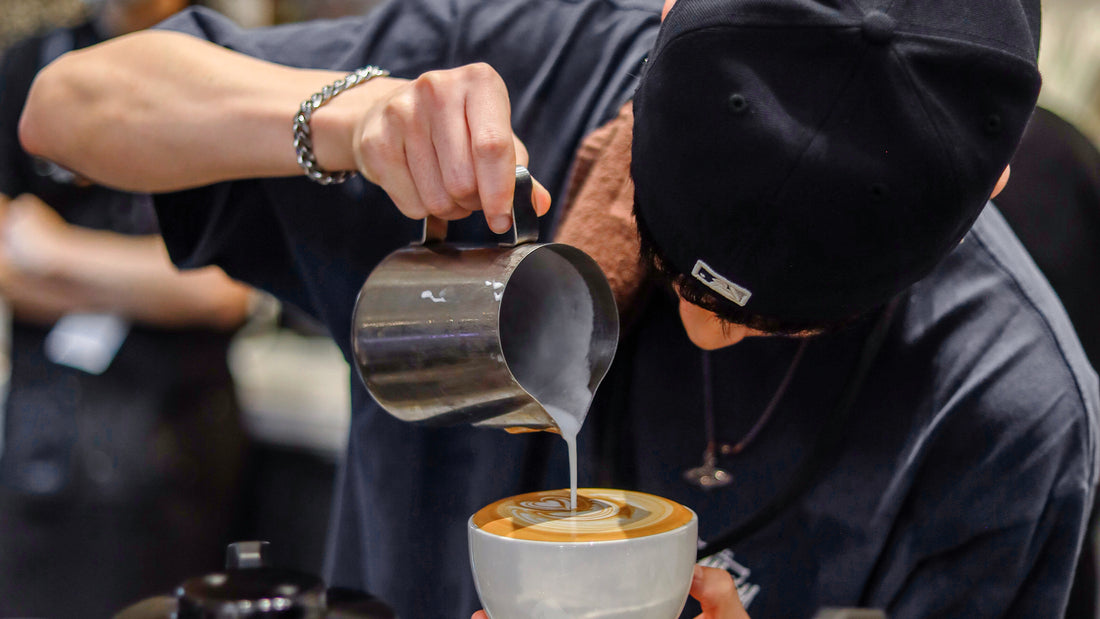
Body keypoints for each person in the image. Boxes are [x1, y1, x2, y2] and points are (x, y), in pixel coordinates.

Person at [16, 0, 1099, 617]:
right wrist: (350, 116)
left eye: (792, 319)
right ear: (666, 22)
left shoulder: (1007, 411)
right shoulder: (518, 72)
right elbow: (67, 108)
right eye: (674, 260)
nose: (708, 326)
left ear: (991, 182)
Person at [0, 1, 255, 616]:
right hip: (46, 435)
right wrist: (150, 279)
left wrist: (55, 251)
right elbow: (6, 268)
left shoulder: (234, 68)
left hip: (180, 439)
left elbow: (221, 292)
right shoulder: (31, 67)